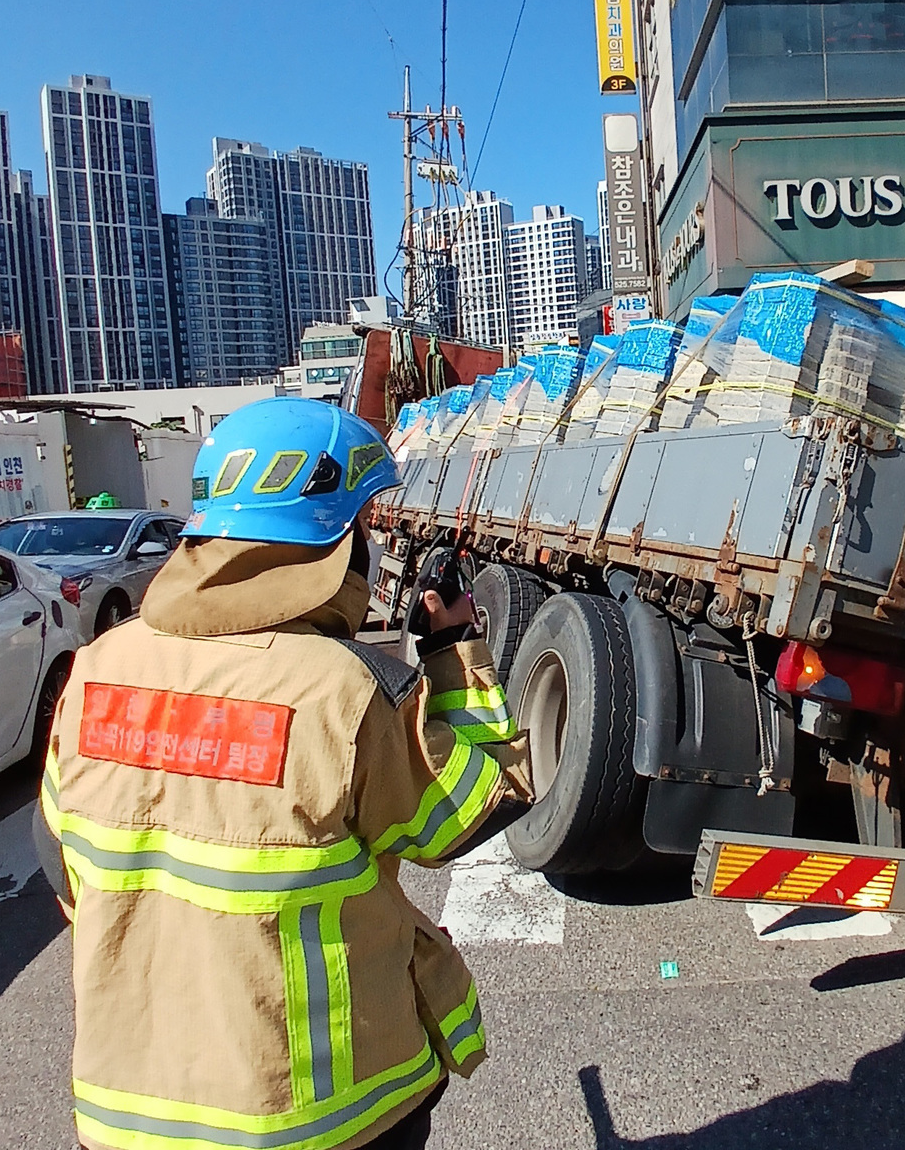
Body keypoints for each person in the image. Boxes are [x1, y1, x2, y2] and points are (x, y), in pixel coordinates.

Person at [33, 399, 532, 1150]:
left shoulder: (98, 673)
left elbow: (62, 864)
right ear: (329, 542)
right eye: (360, 523)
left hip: (124, 1115)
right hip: (324, 1119)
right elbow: (475, 807)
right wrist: (453, 651)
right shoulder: (344, 690)